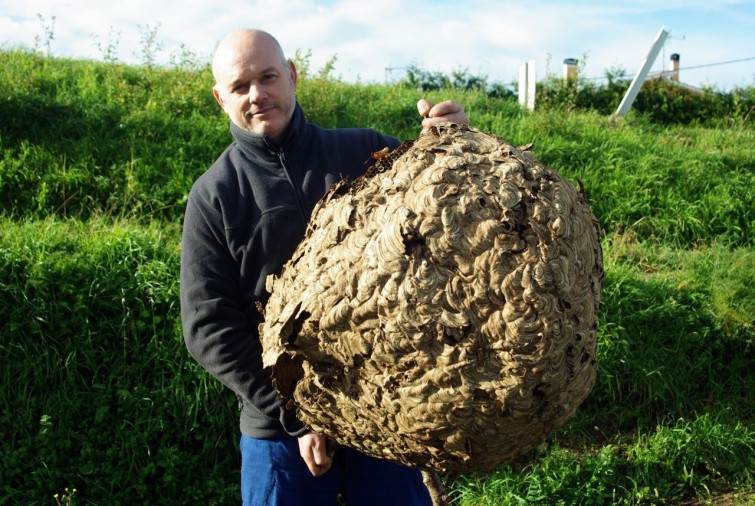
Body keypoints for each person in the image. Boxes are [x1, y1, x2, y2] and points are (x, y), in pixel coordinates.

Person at [180, 28, 468, 506]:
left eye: (268, 77)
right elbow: (208, 328)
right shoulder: (214, 196)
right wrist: (299, 414)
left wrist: (453, 145)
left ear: (291, 76)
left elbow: (442, 214)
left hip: (384, 415)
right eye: (240, 86)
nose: (257, 95)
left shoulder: (367, 153)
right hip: (279, 437)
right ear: (220, 98)